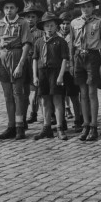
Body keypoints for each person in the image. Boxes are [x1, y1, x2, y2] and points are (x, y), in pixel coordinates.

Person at [70, 0, 101, 142]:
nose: (86, 9)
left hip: (93, 57)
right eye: (83, 7)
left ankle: (94, 126)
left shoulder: (99, 22)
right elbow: (72, 45)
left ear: (93, 7)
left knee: (92, 93)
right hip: (78, 57)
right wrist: (71, 62)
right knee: (83, 94)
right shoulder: (74, 23)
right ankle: (85, 124)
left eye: (88, 6)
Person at [0, 0, 33, 140]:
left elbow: (27, 44)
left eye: (11, 8)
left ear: (17, 9)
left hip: (17, 56)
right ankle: (10, 126)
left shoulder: (23, 23)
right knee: (7, 95)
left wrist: (21, 64)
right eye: (6, 8)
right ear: (3, 10)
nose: (9, 11)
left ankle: (20, 127)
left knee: (18, 94)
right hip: (2, 58)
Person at [31, 12, 69, 140]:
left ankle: (59, 127)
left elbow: (64, 59)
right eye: (47, 26)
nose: (49, 28)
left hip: (55, 72)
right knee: (44, 100)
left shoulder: (61, 41)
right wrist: (35, 76)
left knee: (57, 100)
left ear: (56, 26)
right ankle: (46, 127)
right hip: (42, 72)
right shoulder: (38, 42)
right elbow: (35, 59)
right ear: (43, 27)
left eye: (52, 25)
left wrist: (61, 76)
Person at [21, 4, 45, 127]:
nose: (30, 19)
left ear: (37, 19)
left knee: (37, 89)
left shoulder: (41, 33)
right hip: (24, 61)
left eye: (33, 17)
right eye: (28, 17)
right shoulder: (21, 31)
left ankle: (35, 113)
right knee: (24, 90)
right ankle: (23, 117)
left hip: (36, 60)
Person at [58, 11, 83, 132]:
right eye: (62, 24)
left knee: (73, 96)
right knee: (60, 97)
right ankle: (61, 122)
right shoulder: (56, 36)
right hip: (59, 71)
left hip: (71, 70)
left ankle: (78, 120)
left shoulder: (73, 36)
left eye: (67, 23)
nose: (64, 26)